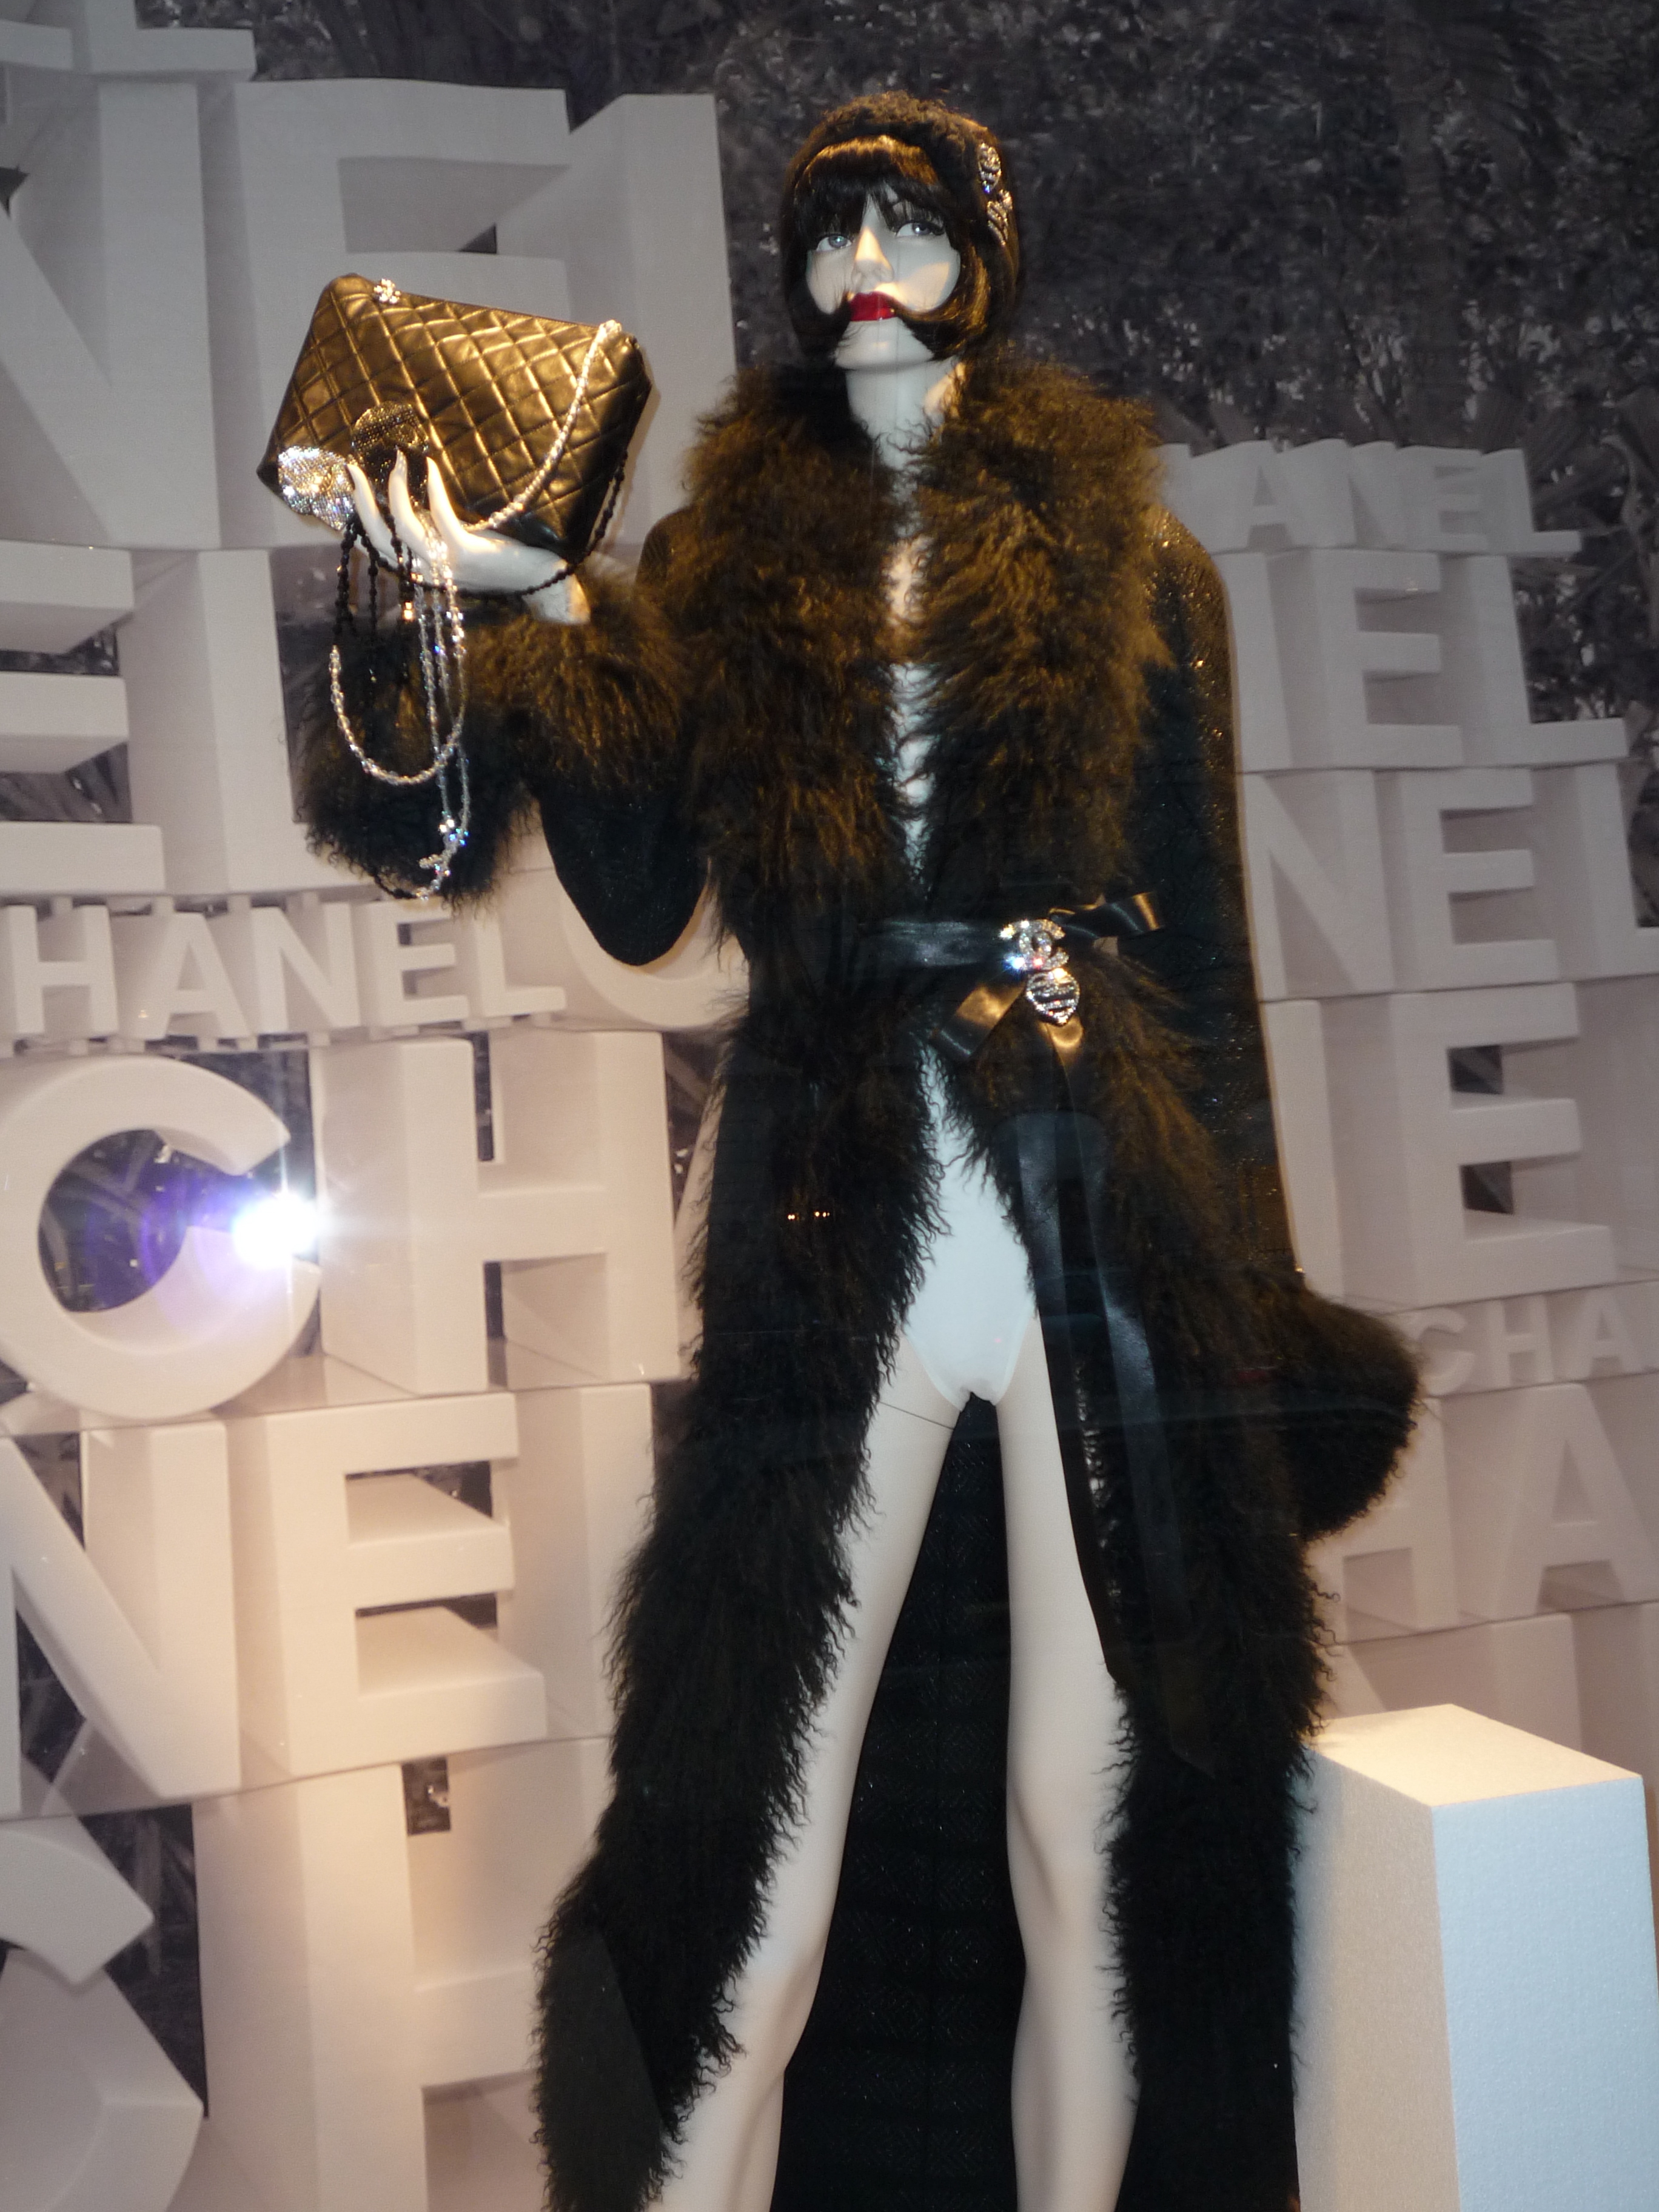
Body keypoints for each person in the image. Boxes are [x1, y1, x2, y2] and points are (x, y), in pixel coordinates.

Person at [302, 93, 1416, 2212]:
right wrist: (545, 613)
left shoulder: (1136, 564)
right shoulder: (719, 565)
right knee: (755, 1825)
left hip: (1092, 1184)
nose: (868, 268)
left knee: (1090, 1823)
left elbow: (1204, 947)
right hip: (836, 1179)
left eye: (912, 225)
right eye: (834, 230)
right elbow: (644, 899)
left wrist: (1257, 1312)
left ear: (989, 253)